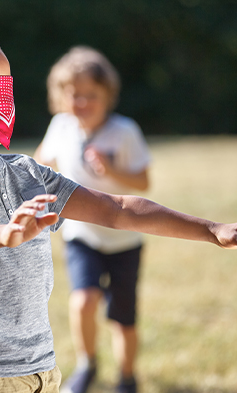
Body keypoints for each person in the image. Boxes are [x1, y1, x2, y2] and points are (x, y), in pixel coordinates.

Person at [0, 30, 237, 393]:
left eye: (5, 88)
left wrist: (212, 229)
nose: (0, 102)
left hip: (41, 371)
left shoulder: (29, 174)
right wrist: (3, 233)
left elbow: (118, 209)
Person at [34, 46, 150, 393]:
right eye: (74, 95)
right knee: (83, 301)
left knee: (123, 318)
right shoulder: (61, 126)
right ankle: (87, 365)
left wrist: (113, 169)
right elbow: (40, 165)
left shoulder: (124, 131)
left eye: (91, 95)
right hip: (81, 235)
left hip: (125, 240)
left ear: (108, 95)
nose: (82, 103)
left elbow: (143, 181)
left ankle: (127, 376)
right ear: (60, 96)